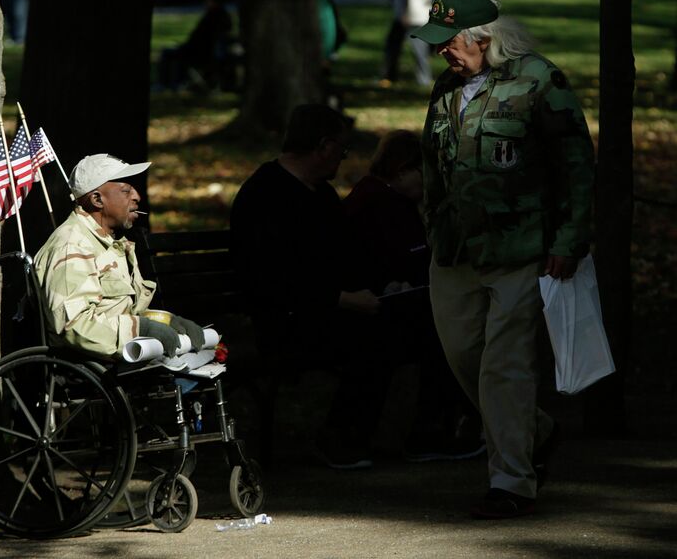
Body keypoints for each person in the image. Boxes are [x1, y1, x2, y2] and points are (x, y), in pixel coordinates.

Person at [411, 0, 594, 518]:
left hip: (520, 249)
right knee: (464, 356)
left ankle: (511, 481)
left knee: (504, 367)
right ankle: (535, 431)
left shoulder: (540, 80)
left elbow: (576, 164)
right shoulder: (446, 88)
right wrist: (432, 219)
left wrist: (568, 240)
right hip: (455, 251)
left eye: (451, 42)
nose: (443, 51)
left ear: (485, 38)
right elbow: (430, 164)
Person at [230, 104, 382, 470]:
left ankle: (410, 430)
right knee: (374, 339)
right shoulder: (264, 195)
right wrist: (341, 298)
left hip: (321, 313)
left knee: (403, 326)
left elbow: (343, 258)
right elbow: (267, 280)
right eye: (342, 151)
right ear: (324, 146)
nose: (343, 160)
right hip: (283, 323)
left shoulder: (322, 195)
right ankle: (338, 438)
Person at [342, 130, 484, 462]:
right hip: (369, 307)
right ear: (403, 169)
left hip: (382, 302)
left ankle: (437, 427)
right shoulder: (381, 203)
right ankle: (431, 429)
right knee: (443, 332)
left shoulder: (385, 200)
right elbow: (406, 259)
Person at [34, 154, 205, 359]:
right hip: (92, 367)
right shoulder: (72, 246)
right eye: (126, 190)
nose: (137, 197)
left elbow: (122, 312)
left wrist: (165, 320)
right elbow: (74, 326)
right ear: (97, 199)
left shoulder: (111, 242)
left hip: (121, 359)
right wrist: (142, 329)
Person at [158, 0, 235, 92]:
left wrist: (184, 46)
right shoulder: (225, 17)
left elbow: (198, 39)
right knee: (177, 53)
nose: (206, 4)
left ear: (213, 2)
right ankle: (176, 82)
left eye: (208, 1)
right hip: (206, 54)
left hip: (199, 54)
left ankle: (166, 84)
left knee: (168, 53)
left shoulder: (211, 17)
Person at [380, 0, 435, 88]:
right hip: (411, 16)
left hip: (412, 18)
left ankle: (423, 79)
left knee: (418, 50)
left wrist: (408, 15)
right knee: (394, 45)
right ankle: (389, 76)